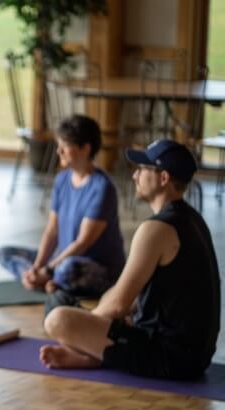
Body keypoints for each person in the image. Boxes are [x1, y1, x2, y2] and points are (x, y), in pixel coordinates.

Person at [40, 140, 220, 380]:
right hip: (195, 356)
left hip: (169, 359)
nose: (135, 175)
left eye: (143, 169)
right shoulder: (194, 220)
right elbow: (138, 296)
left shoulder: (156, 229)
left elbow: (118, 304)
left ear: (163, 178)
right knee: (78, 310)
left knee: (58, 319)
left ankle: (91, 354)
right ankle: (93, 354)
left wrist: (84, 331)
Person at [0, 115, 125, 298]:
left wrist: (49, 269)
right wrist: (38, 266)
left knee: (68, 268)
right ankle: (40, 280)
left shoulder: (102, 188)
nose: (59, 152)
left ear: (85, 149)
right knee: (5, 253)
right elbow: (52, 231)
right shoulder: (62, 179)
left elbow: (83, 243)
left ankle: (53, 280)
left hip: (95, 267)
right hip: (62, 259)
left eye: (65, 147)